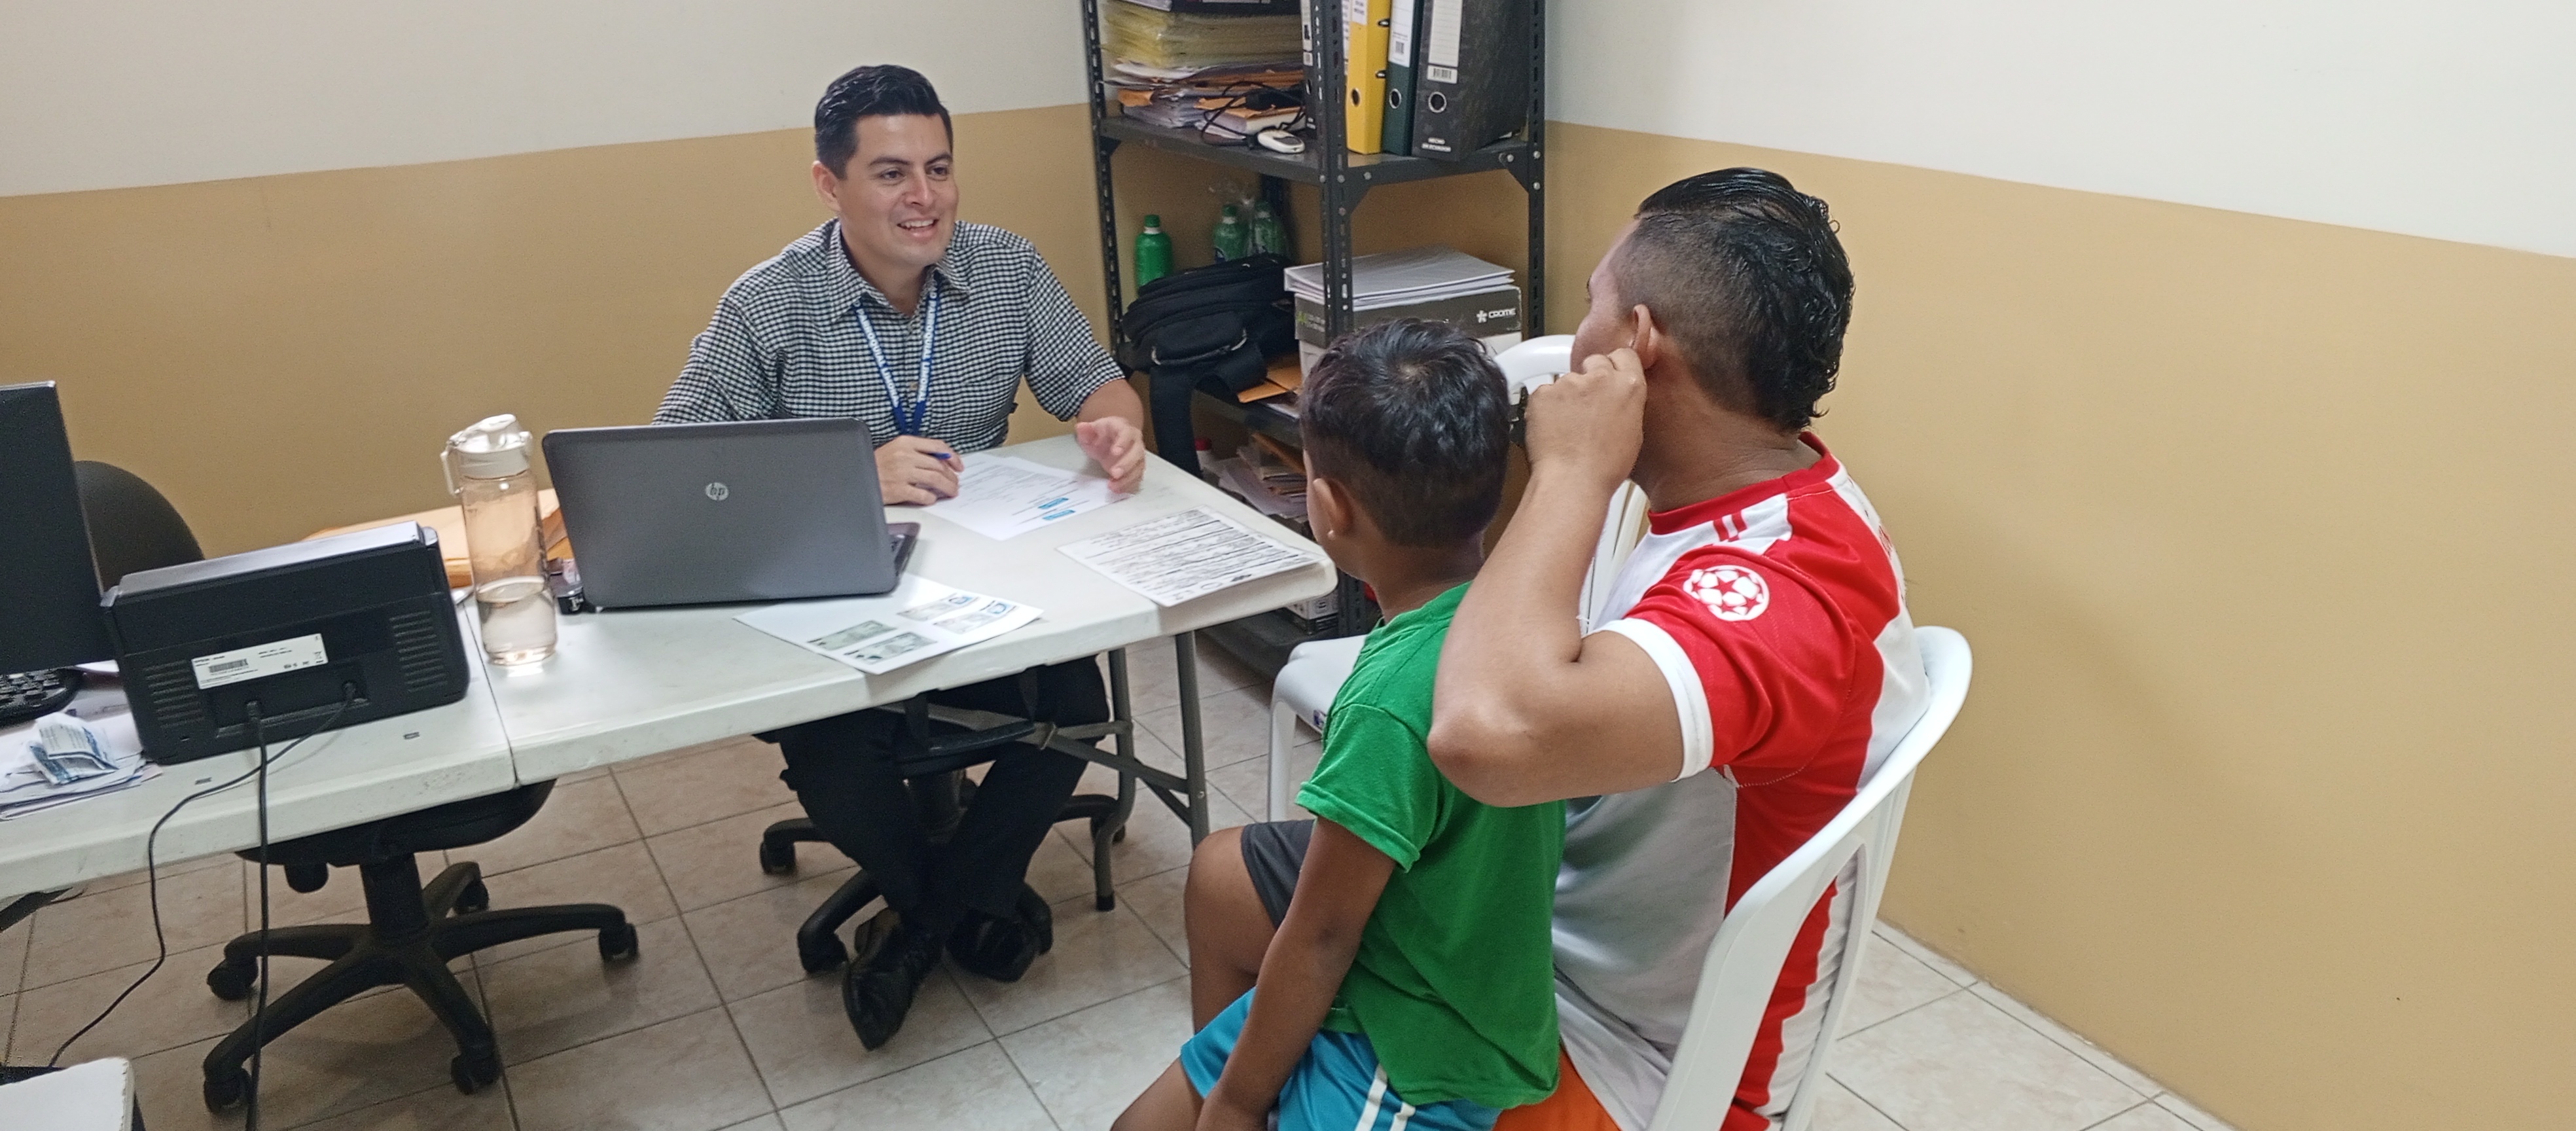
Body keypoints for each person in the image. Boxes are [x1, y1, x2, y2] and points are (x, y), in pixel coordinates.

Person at [1185, 169, 1930, 1131]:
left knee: (1310, 961)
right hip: (1542, 919)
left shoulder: (1786, 588)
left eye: (1591, 307)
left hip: (1625, 1046)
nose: (1574, 345)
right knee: (1224, 881)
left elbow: (1481, 735)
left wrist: (1574, 469)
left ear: (1638, 345)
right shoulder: (1732, 495)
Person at [651, 64, 1150, 1049]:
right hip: (832, 604)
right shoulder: (769, 304)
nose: (924, 198)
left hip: (986, 583)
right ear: (829, 185)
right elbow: (680, 471)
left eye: (939, 168)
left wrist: (1116, 427)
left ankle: (917, 923)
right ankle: (966, 904)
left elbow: (1098, 384)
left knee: (1075, 705)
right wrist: (851, 479)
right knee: (836, 751)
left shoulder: (1006, 269)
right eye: (890, 174)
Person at [1115, 321, 1560, 1131]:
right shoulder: (1517, 612)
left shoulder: (1388, 703)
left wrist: (1238, 1104)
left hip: (1413, 1046)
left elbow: (1321, 937)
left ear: (1326, 506)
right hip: (1397, 964)